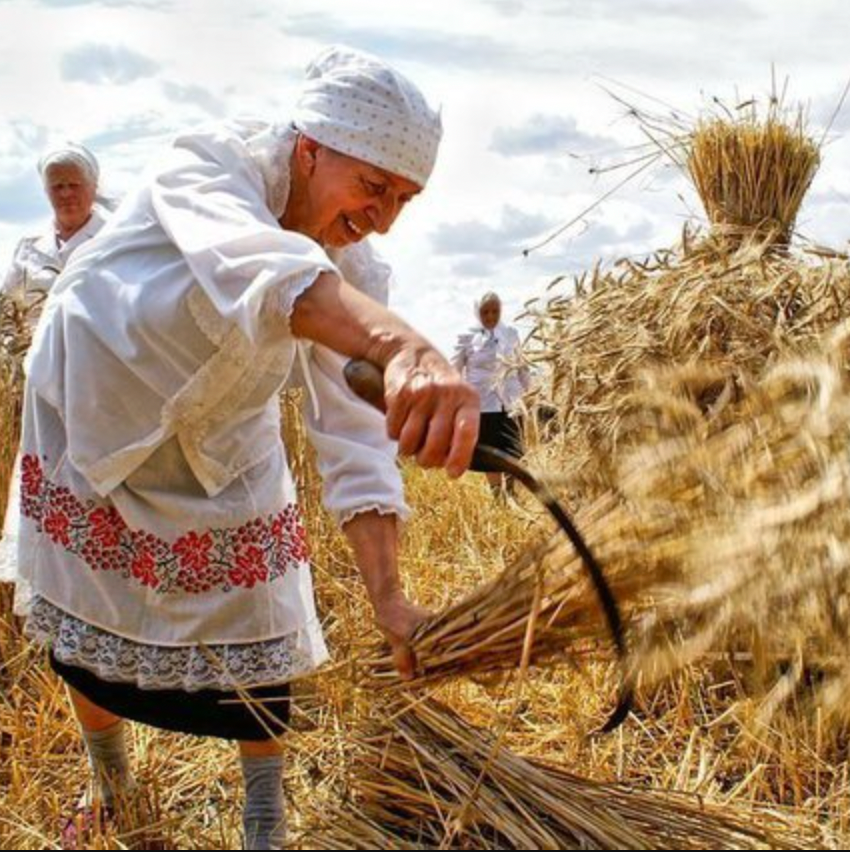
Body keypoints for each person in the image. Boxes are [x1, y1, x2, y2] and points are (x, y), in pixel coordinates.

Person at [0, 45, 478, 850]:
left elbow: (352, 430)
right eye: (373, 186)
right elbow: (263, 269)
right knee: (85, 622)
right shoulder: (207, 167)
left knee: (261, 630)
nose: (384, 217)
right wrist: (403, 346)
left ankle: (264, 821)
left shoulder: (354, 271)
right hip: (94, 414)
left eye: (404, 198)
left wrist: (390, 597)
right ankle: (110, 785)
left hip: (222, 435)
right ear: (310, 149)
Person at [1, 143, 108, 319]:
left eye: (74, 185)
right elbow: (7, 309)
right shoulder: (29, 246)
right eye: (57, 186)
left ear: (94, 186)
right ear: (46, 191)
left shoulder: (112, 237)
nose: (65, 193)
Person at [452, 291, 531, 491]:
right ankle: (497, 494)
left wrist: (530, 392)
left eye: (495, 311)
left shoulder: (510, 334)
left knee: (512, 449)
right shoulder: (467, 337)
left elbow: (522, 366)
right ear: (477, 312)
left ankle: (511, 492)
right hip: (483, 404)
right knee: (491, 452)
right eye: (485, 312)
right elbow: (454, 370)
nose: (490, 316)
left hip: (511, 401)